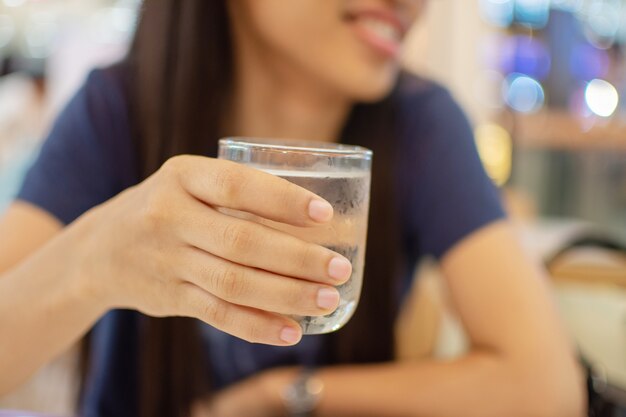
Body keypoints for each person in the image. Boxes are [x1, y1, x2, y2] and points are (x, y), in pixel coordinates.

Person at [0, 1, 585, 416]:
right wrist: (94, 264)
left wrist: (285, 396)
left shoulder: (421, 125)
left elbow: (546, 389)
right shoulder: (118, 109)